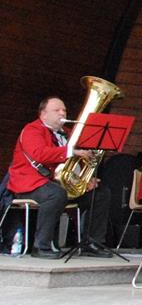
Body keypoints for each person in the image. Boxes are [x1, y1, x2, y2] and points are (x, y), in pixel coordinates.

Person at [6, 96, 113, 258]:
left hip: (55, 183)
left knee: (100, 194)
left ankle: (92, 242)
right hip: (29, 183)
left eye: (64, 110)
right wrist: (71, 151)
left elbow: (73, 165)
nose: (62, 113)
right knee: (55, 194)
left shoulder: (68, 134)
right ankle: (41, 245)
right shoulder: (31, 130)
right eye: (57, 110)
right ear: (43, 114)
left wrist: (84, 179)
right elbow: (39, 154)